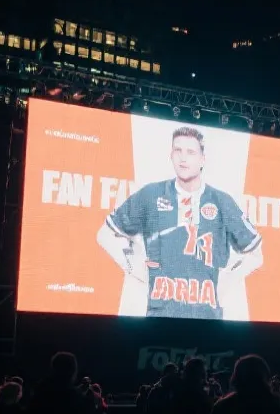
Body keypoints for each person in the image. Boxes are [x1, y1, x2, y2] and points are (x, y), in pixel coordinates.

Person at [95, 126, 264, 319]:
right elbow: (105, 234)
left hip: (207, 320)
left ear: (202, 159)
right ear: (171, 154)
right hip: (160, 317)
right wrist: (134, 266)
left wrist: (224, 281)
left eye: (190, 152)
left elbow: (255, 253)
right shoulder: (151, 195)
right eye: (178, 150)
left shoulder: (222, 202)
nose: (183, 158)